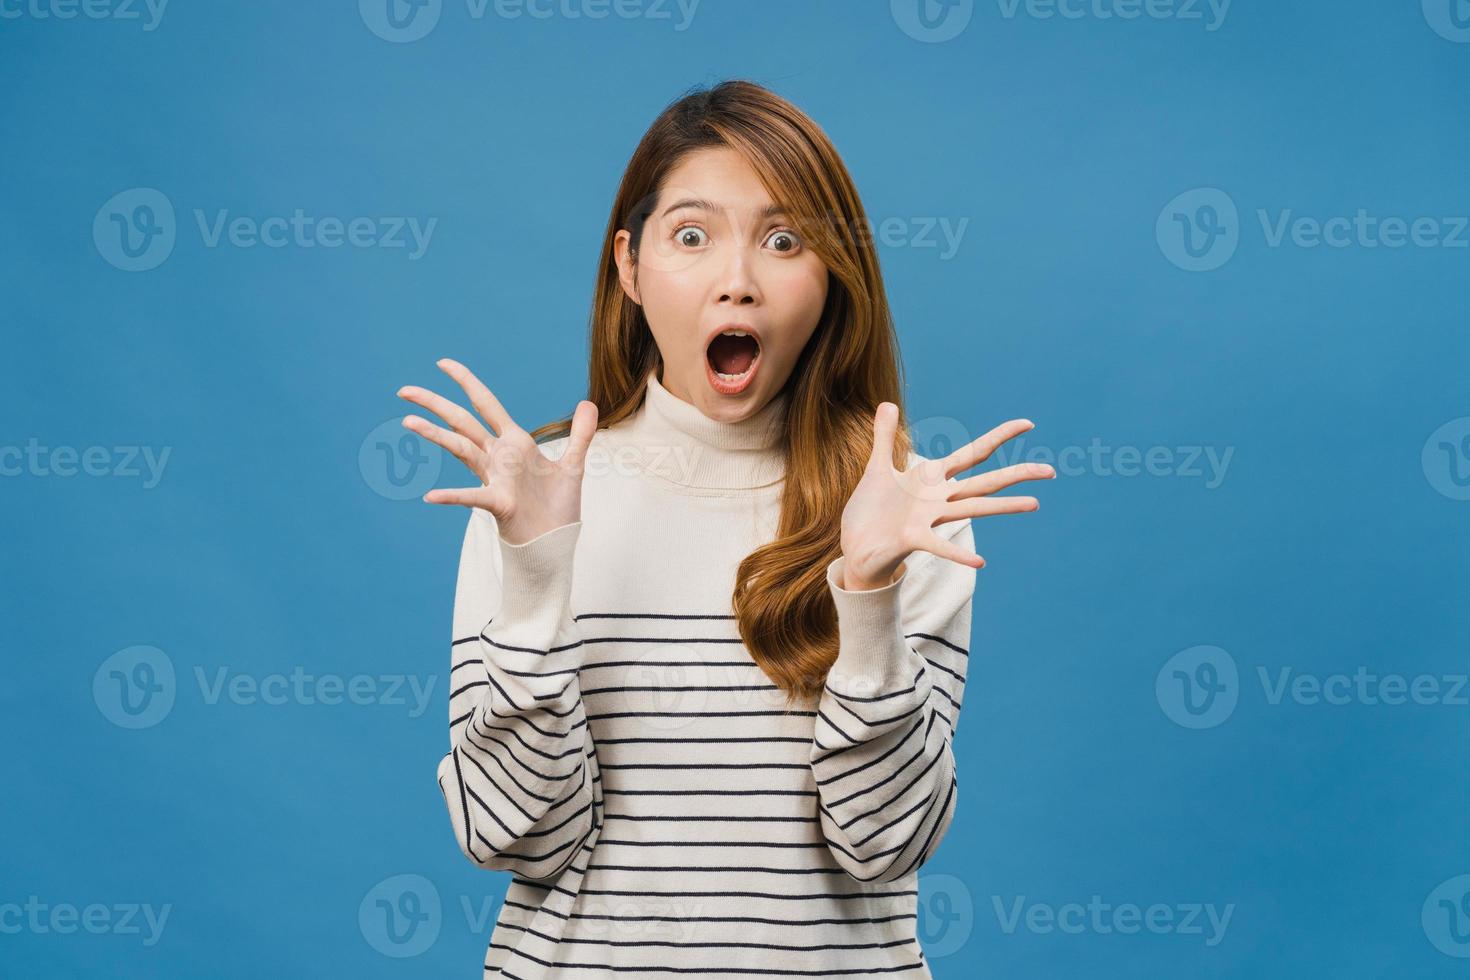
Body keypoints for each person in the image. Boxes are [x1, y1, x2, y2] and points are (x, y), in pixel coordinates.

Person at [397, 79, 1054, 979]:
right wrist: (540, 579)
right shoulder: (541, 497)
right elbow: (511, 834)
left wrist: (867, 596)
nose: (737, 281)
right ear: (629, 267)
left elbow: (885, 844)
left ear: (831, 277)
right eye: (692, 237)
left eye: (784, 242)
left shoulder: (899, 513)